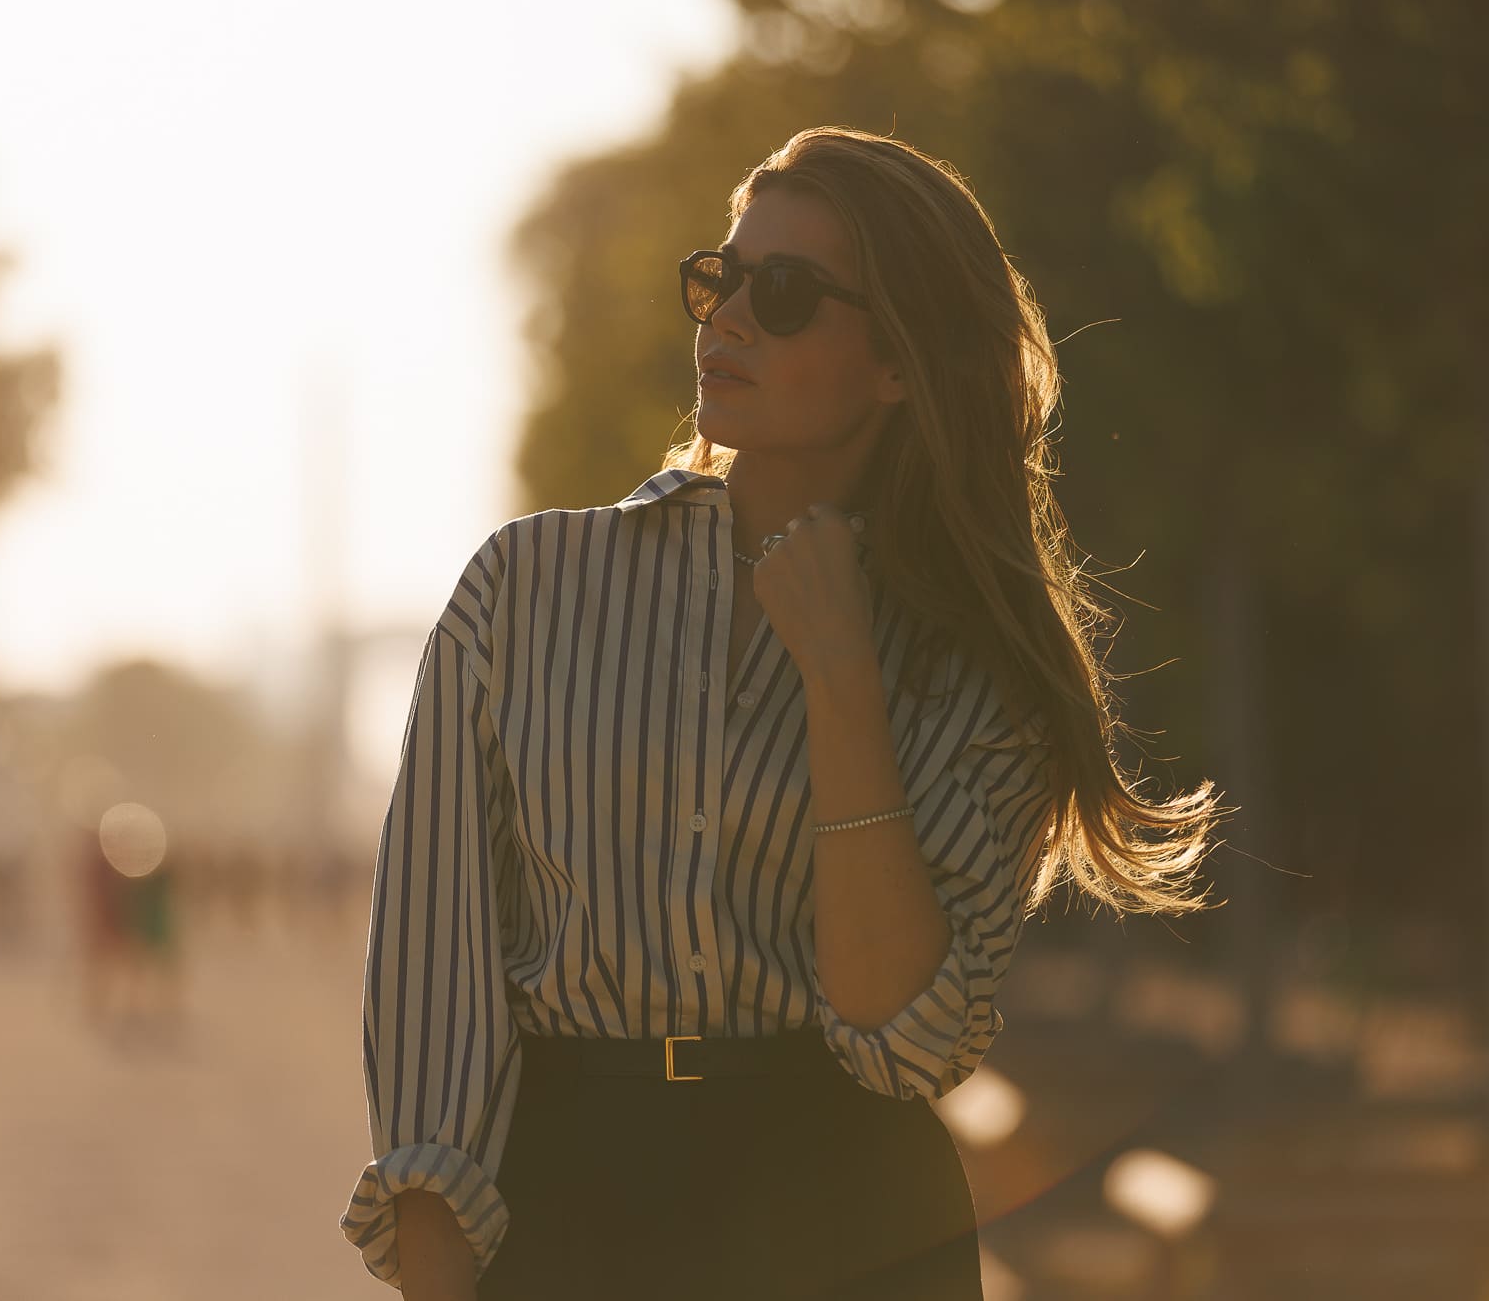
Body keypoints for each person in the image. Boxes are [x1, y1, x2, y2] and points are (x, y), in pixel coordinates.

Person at [339, 127, 1226, 1300]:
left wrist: (840, 676)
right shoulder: (526, 588)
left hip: (851, 1228)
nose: (728, 318)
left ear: (898, 364)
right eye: (720, 279)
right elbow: (432, 984)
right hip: (569, 1214)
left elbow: (901, 1033)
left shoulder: (976, 669)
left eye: (786, 291)